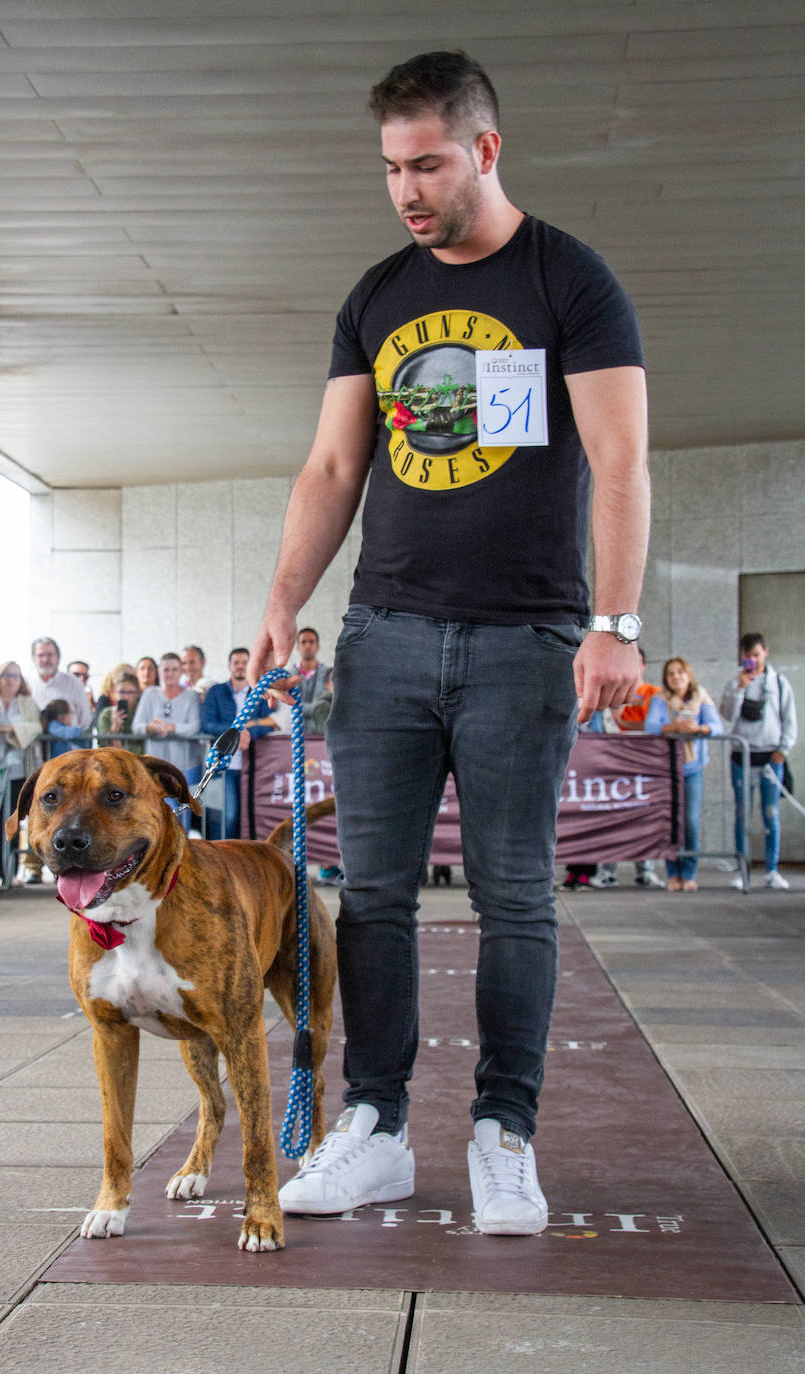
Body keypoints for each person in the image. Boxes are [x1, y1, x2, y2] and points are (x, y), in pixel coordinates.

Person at [248, 51, 649, 1237]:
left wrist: (614, 623)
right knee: (372, 898)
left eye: (425, 163)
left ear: (484, 149)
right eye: (389, 168)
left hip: (529, 639)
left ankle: (502, 1135)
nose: (406, 189)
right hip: (383, 638)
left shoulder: (570, 282)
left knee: (515, 894)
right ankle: (372, 1128)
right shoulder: (375, 295)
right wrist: (282, 601)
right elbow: (333, 465)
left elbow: (620, 462)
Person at [720, 633, 798, 891]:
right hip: (742, 755)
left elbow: (789, 718)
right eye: (747, 656)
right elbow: (728, 714)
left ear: (765, 652)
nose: (752, 660)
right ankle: (743, 869)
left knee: (770, 813)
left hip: (770, 755)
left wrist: (783, 749)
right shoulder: (735, 682)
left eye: (756, 655)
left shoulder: (779, 682)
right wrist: (740, 688)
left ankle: (772, 870)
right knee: (742, 813)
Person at [645, 657, 722, 892]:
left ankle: (689, 872)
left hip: (692, 768)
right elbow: (651, 726)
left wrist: (699, 729)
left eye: (680, 672)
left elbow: (717, 726)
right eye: (671, 673)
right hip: (667, 768)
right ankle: (673, 873)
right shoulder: (660, 699)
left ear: (688, 675)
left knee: (690, 821)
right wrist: (675, 728)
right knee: (671, 822)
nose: (676, 677)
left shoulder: (701, 696)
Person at [592, 647, 666, 889]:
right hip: (614, 761)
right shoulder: (610, 693)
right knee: (611, 815)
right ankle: (607, 870)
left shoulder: (654, 693)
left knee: (644, 815)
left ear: (643, 666)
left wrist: (625, 721)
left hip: (644, 763)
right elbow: (607, 724)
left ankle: (645, 870)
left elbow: (654, 726)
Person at [22, 637, 93, 883]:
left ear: (58, 657)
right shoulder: (27, 684)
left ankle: (69, 866)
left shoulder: (71, 683)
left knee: (71, 815)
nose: (45, 659)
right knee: (38, 814)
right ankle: (33, 867)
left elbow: (84, 720)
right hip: (36, 763)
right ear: (34, 658)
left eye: (50, 654)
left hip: (68, 766)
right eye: (41, 655)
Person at [201, 648, 279, 839]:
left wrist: (248, 732)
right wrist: (235, 732)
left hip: (253, 765)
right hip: (223, 766)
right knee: (227, 817)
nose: (240, 666)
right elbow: (207, 723)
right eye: (236, 662)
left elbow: (271, 722)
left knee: (250, 817)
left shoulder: (261, 693)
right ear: (229, 666)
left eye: (245, 662)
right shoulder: (216, 692)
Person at [0, 661, 42, 886]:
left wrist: (7, 729)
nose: (10, 680)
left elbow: (35, 728)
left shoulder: (26, 703)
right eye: (6, 675)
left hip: (16, 771)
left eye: (16, 676)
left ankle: (10, 870)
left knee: (12, 821)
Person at [132, 652, 203, 828]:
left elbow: (194, 726)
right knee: (160, 809)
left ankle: (183, 847)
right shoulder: (149, 694)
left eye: (174, 669)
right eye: (166, 669)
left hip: (187, 766)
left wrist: (170, 727)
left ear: (181, 671)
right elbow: (137, 726)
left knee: (185, 810)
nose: (170, 673)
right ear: (159, 672)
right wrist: (151, 727)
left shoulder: (191, 696)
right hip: (157, 766)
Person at [291, 627, 334, 733]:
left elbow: (327, 706)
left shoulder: (329, 675)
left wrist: (299, 707)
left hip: (321, 735)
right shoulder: (287, 675)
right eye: (303, 642)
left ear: (317, 646)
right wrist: (318, 708)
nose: (308, 645)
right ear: (297, 647)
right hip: (292, 735)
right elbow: (289, 706)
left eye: (311, 642)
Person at [96, 673, 143, 754]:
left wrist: (123, 749)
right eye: (122, 692)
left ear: (137, 693)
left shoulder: (141, 713)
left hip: (136, 761)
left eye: (130, 692)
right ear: (114, 693)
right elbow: (101, 743)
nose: (125, 696)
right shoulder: (106, 714)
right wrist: (114, 728)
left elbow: (144, 746)